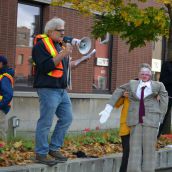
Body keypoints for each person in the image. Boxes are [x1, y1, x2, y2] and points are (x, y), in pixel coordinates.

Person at [32, 17, 95, 166]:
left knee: (67, 118)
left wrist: (81, 61)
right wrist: (65, 53)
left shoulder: (59, 46)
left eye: (63, 30)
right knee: (46, 121)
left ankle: (54, 148)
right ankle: (41, 153)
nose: (63, 33)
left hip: (61, 90)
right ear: (50, 31)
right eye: (60, 30)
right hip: (48, 89)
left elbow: (64, 66)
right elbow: (46, 66)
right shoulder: (41, 46)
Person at [99, 63, 168, 172]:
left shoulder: (158, 86)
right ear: (139, 74)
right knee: (134, 152)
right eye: (142, 73)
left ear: (151, 75)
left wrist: (161, 118)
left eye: (147, 73)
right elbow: (118, 90)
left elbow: (165, 101)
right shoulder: (132, 84)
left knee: (149, 151)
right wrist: (108, 109)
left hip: (151, 120)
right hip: (135, 121)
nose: (144, 75)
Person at [0, 55, 14, 141]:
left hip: (1, 107)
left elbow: (8, 94)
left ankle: (3, 149)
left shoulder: (4, 77)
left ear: (1, 63)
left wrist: (0, 105)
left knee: (0, 128)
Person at [157, 61, 172, 137]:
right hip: (167, 96)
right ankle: (155, 137)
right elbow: (163, 81)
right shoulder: (167, 65)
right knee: (162, 117)